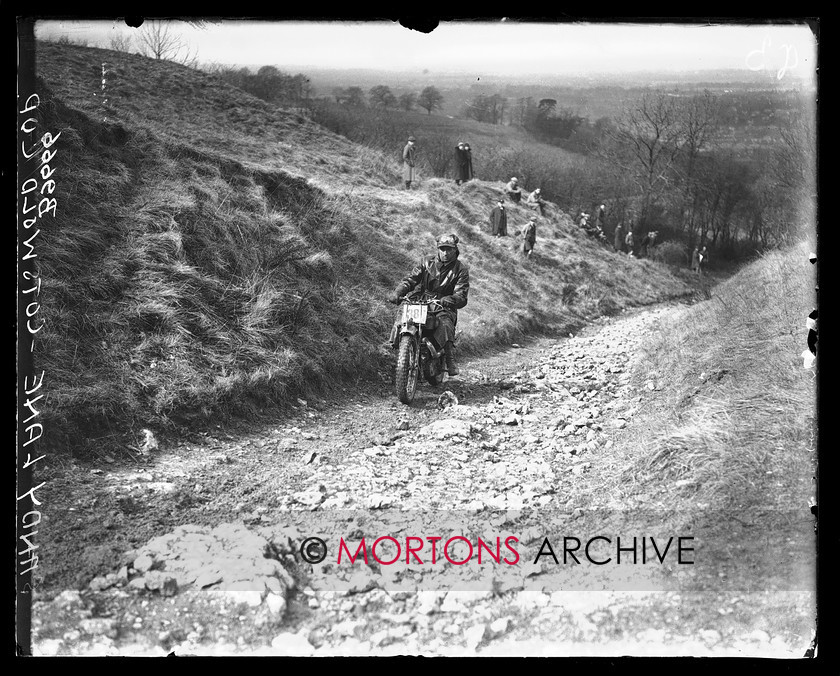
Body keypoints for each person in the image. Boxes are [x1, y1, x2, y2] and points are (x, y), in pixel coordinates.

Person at [389, 233, 470, 376]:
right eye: (442, 249)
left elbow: (461, 294)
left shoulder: (460, 269)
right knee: (404, 311)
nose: (445, 252)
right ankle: (396, 347)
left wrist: (450, 299)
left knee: (445, 324)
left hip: (443, 304)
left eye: (449, 249)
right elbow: (410, 280)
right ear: (438, 249)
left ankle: (450, 361)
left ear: (455, 250)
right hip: (422, 299)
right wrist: (398, 292)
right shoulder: (426, 262)